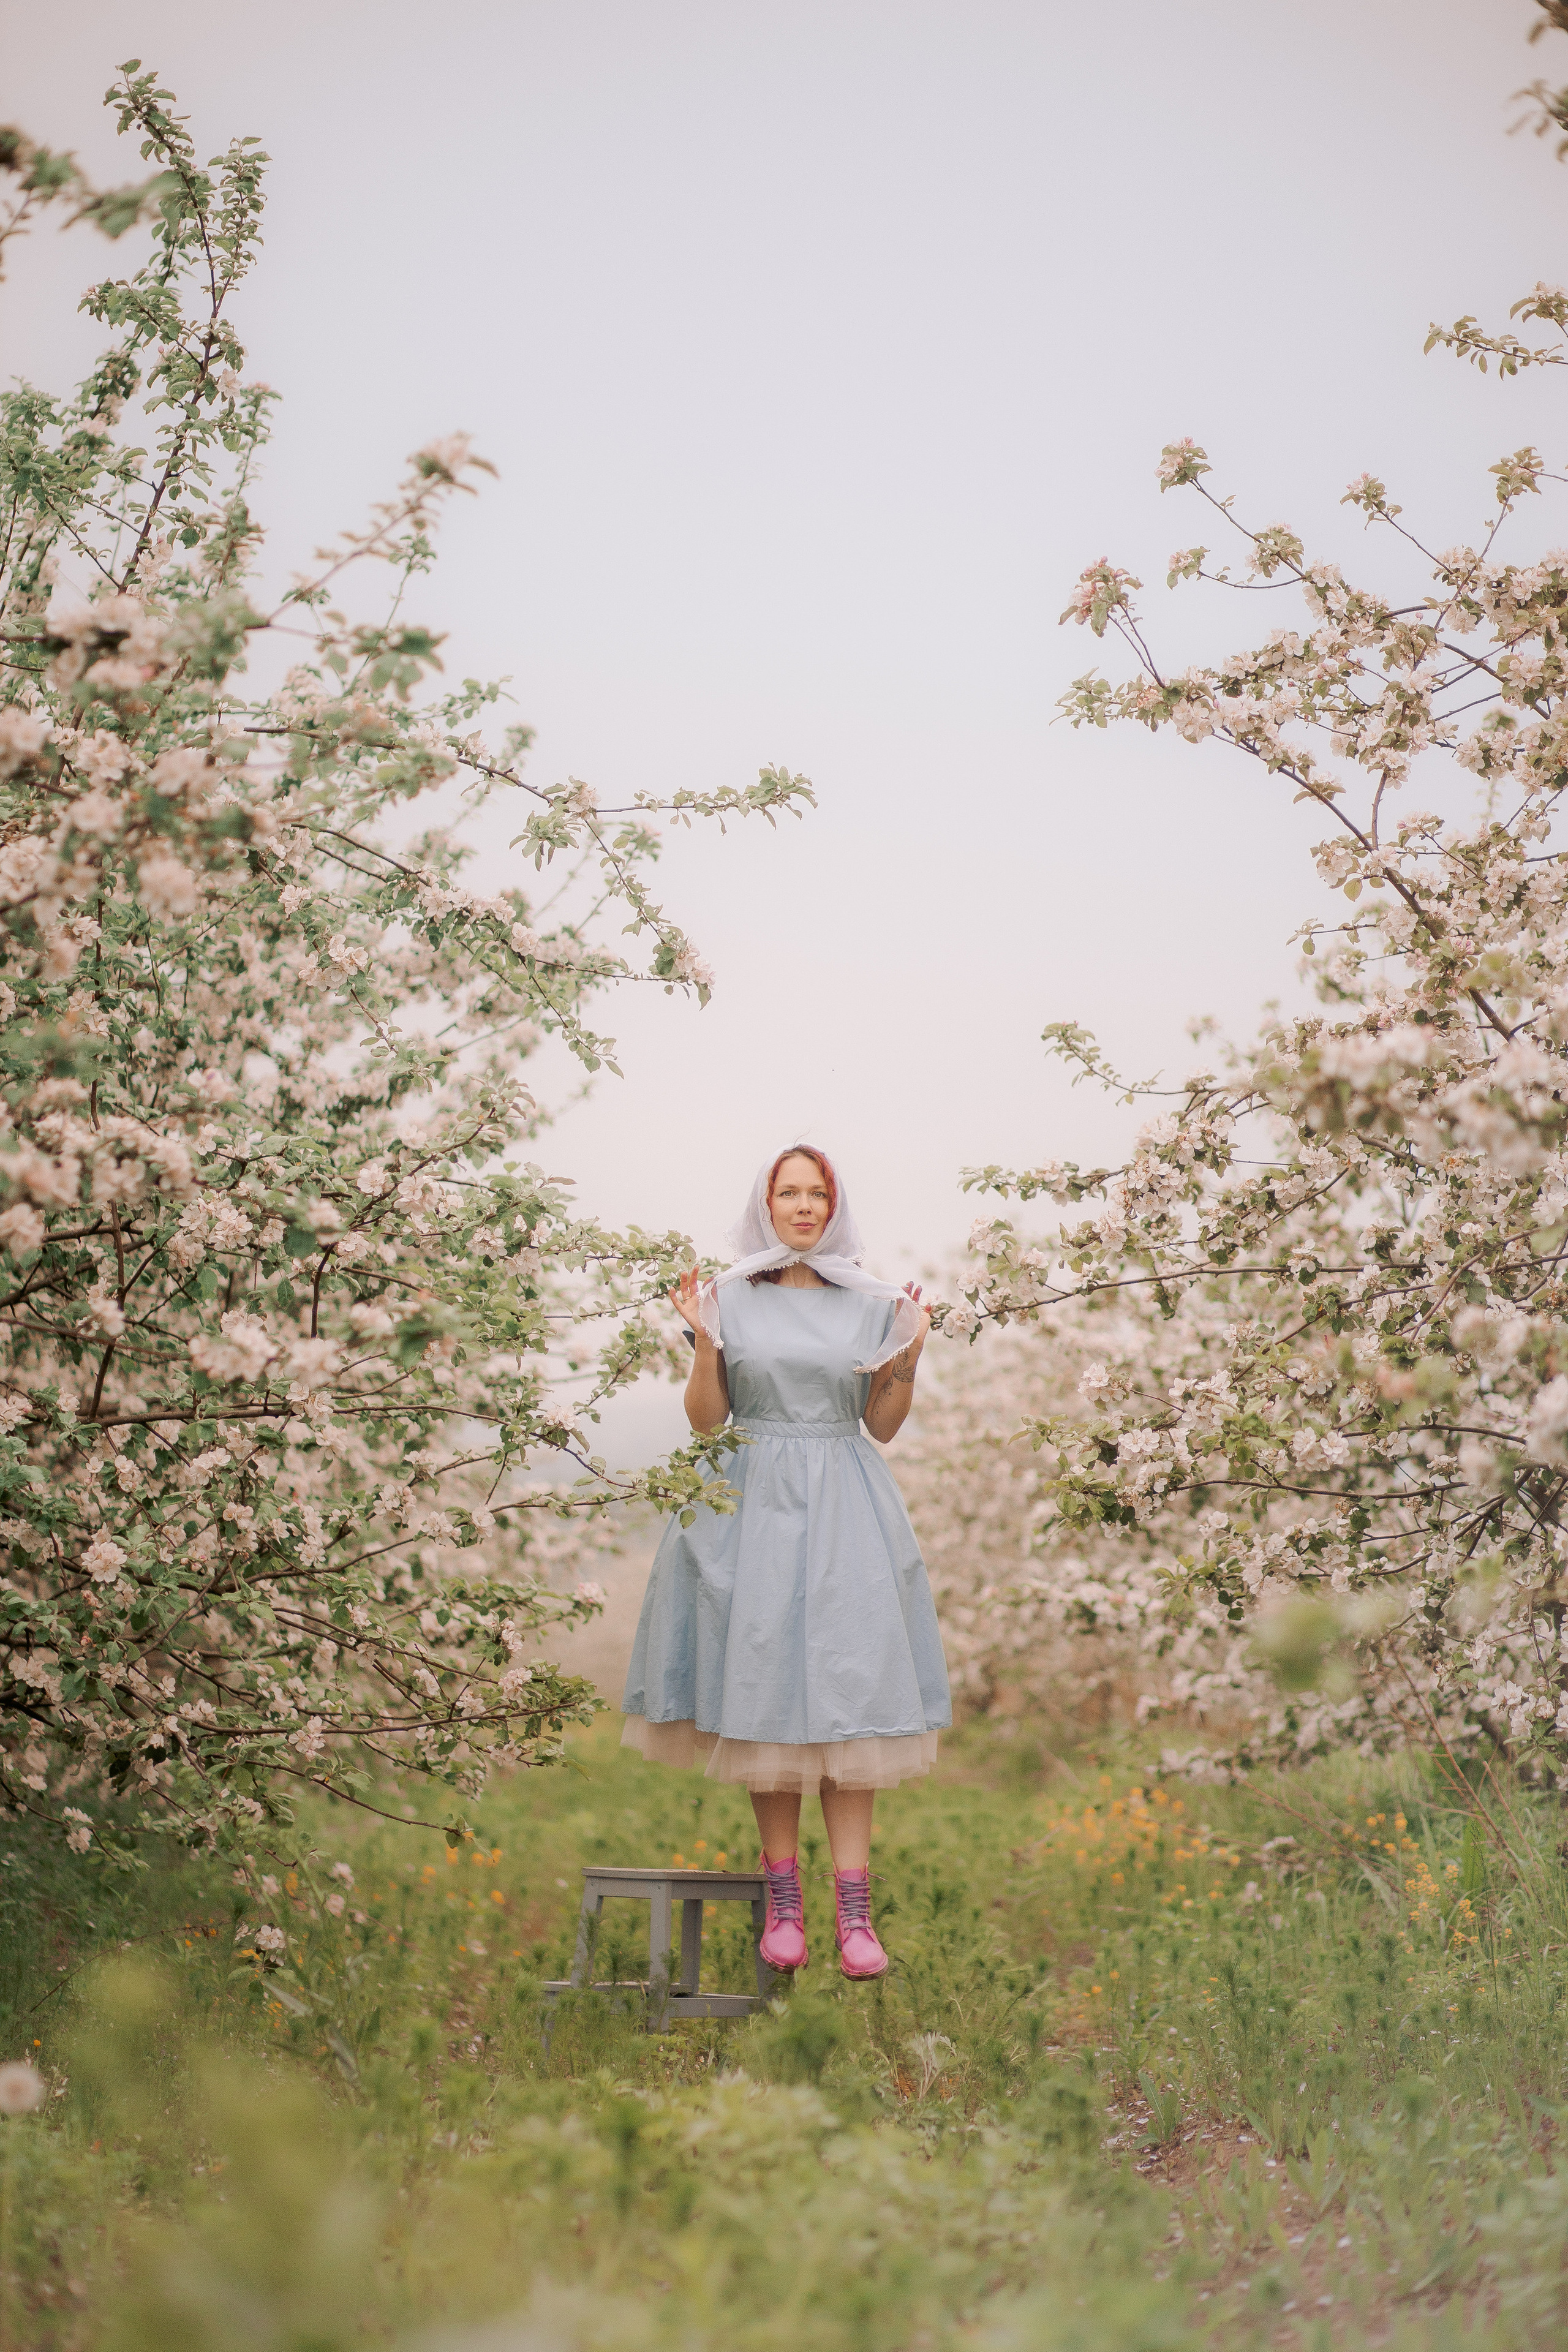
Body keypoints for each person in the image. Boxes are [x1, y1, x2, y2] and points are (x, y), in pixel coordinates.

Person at [620, 1145, 951, 1980]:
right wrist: (703, 1342)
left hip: (845, 1494)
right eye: (789, 1192)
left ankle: (855, 1912)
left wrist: (909, 1353)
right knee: (765, 1686)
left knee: (851, 1688)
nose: (803, 1207)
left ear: (836, 1207)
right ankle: (784, 1899)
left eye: (818, 1194)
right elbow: (706, 1421)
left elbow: (883, 1424)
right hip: (752, 1498)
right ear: (765, 1203)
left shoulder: (870, 1299)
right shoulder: (729, 1295)